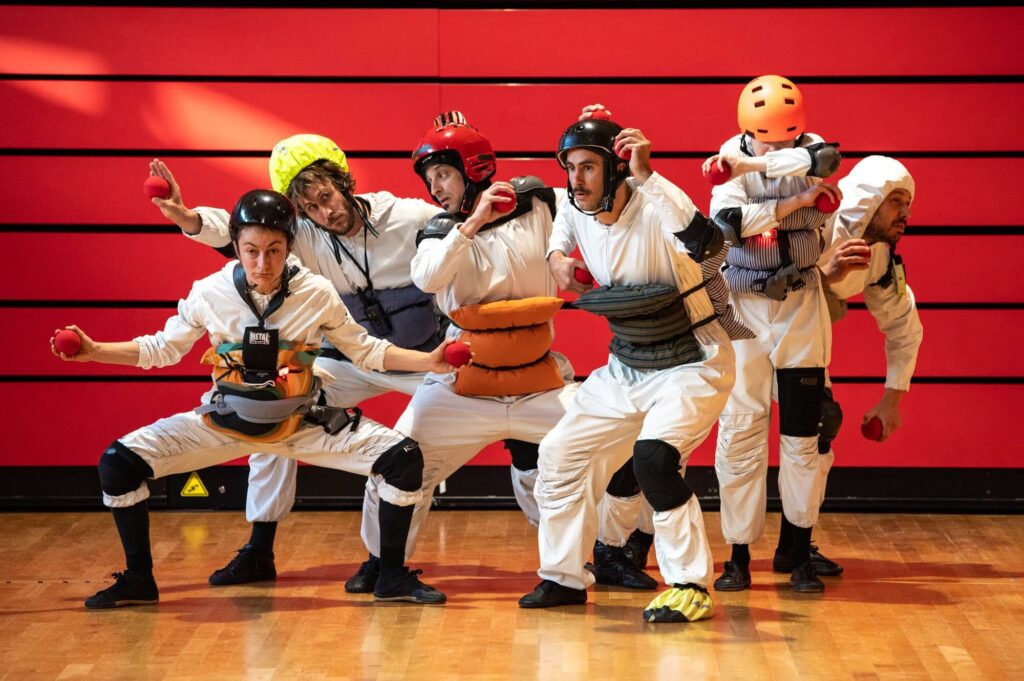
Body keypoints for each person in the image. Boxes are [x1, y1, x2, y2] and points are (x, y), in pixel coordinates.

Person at [55, 190, 453, 608]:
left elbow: (366, 351)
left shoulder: (315, 291)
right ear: (236, 245)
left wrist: (429, 360)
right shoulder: (210, 291)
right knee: (118, 464)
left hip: (303, 424)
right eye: (251, 250)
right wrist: (95, 349)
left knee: (403, 458)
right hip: (223, 424)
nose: (263, 264)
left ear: (289, 246)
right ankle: (138, 579)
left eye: (274, 250)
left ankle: (390, 577)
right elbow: (162, 349)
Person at [358, 111, 657, 591]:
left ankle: (610, 551)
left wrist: (612, 149)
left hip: (538, 378)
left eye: (443, 173)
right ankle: (383, 563)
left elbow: (602, 200)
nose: (435, 187)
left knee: (620, 447)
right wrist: (471, 222)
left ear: (473, 167)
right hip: (462, 386)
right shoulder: (440, 231)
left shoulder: (537, 200)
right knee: (400, 458)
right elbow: (427, 278)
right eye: (429, 178)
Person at [148, 134, 444, 591]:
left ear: (344, 181)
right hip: (347, 360)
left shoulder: (407, 216)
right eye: (309, 207)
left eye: (326, 196)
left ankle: (385, 559)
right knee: (271, 409)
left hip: (418, 359)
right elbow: (236, 231)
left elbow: (464, 226)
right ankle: (259, 549)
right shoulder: (303, 235)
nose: (325, 213)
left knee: (446, 427)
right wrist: (189, 219)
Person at [520, 113, 736, 624]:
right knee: (558, 453)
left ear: (617, 170)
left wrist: (647, 174)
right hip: (628, 363)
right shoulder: (577, 206)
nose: (576, 179)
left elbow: (709, 243)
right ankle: (564, 578)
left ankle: (689, 585)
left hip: (694, 358)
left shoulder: (657, 205)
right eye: (570, 167)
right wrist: (556, 258)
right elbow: (561, 230)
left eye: (589, 167)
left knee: (654, 461)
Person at [702, 75, 845, 593]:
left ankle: (800, 551)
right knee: (740, 432)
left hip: (801, 305)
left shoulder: (813, 151)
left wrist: (763, 173)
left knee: (805, 436)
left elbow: (817, 170)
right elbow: (728, 223)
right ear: (746, 129)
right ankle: (738, 554)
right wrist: (795, 205)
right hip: (743, 308)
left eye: (787, 137)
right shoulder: (726, 156)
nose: (778, 145)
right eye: (766, 138)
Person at [818, 155, 922, 441]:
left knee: (820, 422)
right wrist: (825, 275)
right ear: (868, 199)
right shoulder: (814, 224)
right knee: (745, 429)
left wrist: (891, 401)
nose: (905, 214)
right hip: (749, 334)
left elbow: (904, 326)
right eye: (895, 201)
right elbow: (759, 285)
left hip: (801, 340)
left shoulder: (879, 258)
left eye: (907, 204)